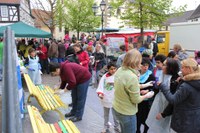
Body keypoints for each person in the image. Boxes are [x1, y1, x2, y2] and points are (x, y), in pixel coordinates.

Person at [112, 49, 155, 133]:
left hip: (117, 108)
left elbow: (128, 86)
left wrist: (145, 85)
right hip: (127, 113)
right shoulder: (132, 76)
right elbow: (136, 99)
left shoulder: (120, 70)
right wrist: (147, 95)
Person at [160, 58, 200, 133]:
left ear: (189, 68)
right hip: (195, 120)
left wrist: (163, 87)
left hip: (183, 121)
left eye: (182, 67)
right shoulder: (196, 81)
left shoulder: (186, 86)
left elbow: (173, 100)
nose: (180, 70)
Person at [96, 62, 120, 133]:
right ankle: (105, 126)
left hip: (115, 98)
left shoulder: (118, 76)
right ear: (108, 69)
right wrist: (100, 93)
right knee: (106, 114)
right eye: (111, 69)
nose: (113, 70)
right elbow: (101, 86)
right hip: (106, 98)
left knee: (115, 115)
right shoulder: (105, 76)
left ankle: (117, 126)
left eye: (114, 69)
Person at [136, 58, 155, 133]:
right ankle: (137, 130)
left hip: (147, 102)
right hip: (137, 99)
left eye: (147, 65)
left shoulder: (150, 75)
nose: (145, 67)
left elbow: (154, 87)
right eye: (143, 65)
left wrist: (147, 90)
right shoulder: (136, 74)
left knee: (146, 118)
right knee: (137, 117)